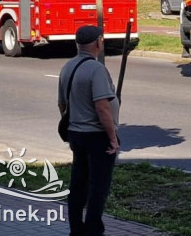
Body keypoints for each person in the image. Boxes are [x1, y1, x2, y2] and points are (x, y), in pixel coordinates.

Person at [58, 25, 120, 236]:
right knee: (98, 187)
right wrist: (112, 138)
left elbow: (62, 105)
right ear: (98, 43)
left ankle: (76, 229)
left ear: (77, 43)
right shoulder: (96, 69)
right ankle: (93, 230)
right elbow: (102, 107)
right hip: (96, 136)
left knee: (78, 184)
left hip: (76, 135)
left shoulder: (67, 67)